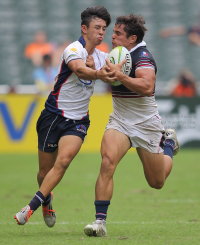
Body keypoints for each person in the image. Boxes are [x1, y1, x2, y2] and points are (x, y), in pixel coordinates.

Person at [14, 5, 120, 227]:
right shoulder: (72, 49)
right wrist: (98, 73)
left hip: (78, 120)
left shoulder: (102, 56)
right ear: (84, 28)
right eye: (97, 28)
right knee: (44, 173)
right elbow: (80, 70)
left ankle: (30, 207)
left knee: (63, 161)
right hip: (54, 115)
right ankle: (47, 199)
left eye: (104, 29)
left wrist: (114, 71)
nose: (102, 33)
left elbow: (115, 74)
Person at [84, 13, 180, 237]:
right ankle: (99, 223)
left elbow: (146, 86)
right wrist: (93, 66)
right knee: (107, 162)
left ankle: (168, 145)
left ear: (132, 38)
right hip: (120, 121)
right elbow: (97, 65)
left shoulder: (143, 56)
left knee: (157, 182)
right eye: (113, 32)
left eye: (118, 34)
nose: (112, 37)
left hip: (147, 125)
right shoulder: (116, 54)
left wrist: (120, 76)